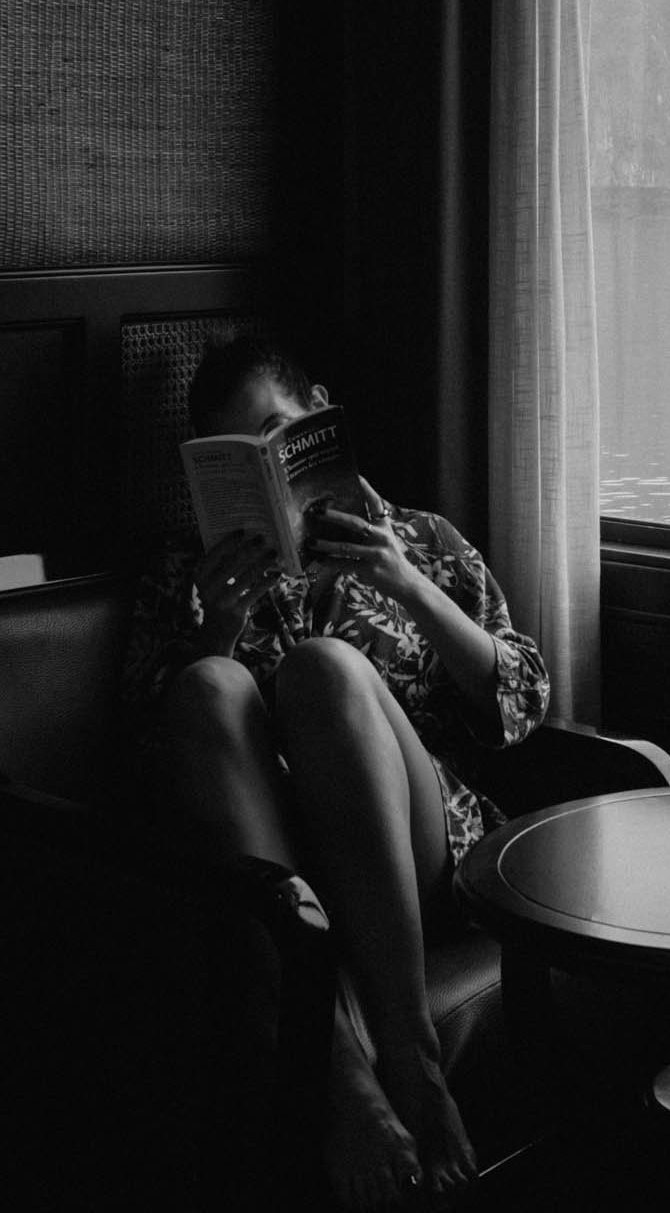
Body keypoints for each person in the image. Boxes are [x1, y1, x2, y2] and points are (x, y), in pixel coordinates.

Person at [121, 335, 551, 1211]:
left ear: (318, 414)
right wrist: (220, 626)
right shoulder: (184, 574)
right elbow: (154, 759)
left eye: (280, 433)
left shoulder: (424, 539)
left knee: (323, 669)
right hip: (279, 875)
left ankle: (412, 1060)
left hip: (417, 853)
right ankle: (346, 1083)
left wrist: (408, 586)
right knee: (206, 684)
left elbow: (525, 697)